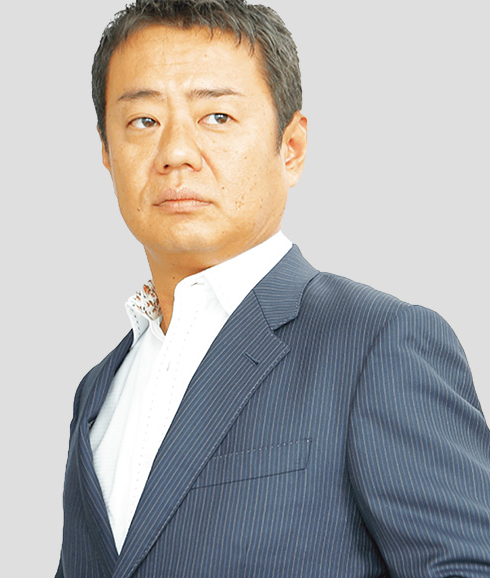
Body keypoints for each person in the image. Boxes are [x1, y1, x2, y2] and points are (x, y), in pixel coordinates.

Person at [55, 1, 490, 576]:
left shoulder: (376, 344)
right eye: (143, 121)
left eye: (217, 117)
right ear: (107, 152)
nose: (176, 153)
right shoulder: (98, 391)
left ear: (291, 148)